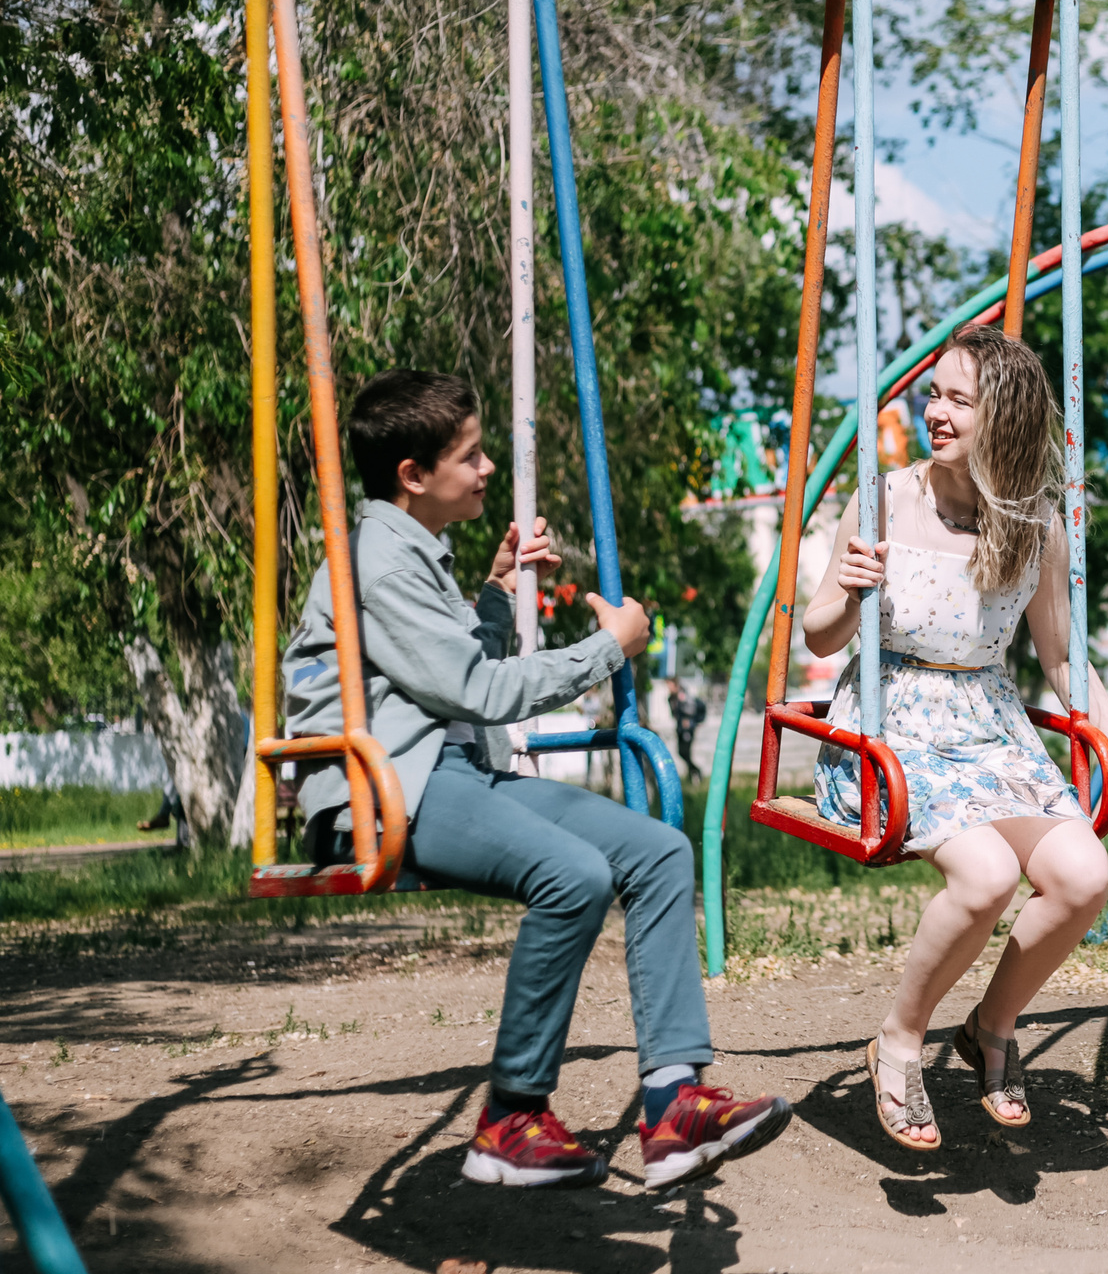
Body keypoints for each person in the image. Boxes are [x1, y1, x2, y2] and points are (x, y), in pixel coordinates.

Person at [283, 370, 788, 1189]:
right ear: (413, 474)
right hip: (384, 791)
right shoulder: (376, 561)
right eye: (470, 455)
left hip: (449, 772)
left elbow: (450, 669)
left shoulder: (412, 553)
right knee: (575, 874)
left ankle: (674, 1102)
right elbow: (475, 690)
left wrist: (494, 591)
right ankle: (512, 1117)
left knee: (658, 851)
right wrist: (608, 648)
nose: (488, 468)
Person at [803, 327, 1108, 1151]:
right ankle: (900, 1040)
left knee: (1083, 873)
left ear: (1002, 417)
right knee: (988, 874)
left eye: (958, 400)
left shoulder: (1034, 525)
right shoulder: (882, 499)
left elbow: (1064, 660)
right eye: (934, 394)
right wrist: (852, 594)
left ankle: (991, 1026)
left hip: (986, 727)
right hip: (889, 729)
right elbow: (818, 634)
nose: (934, 411)